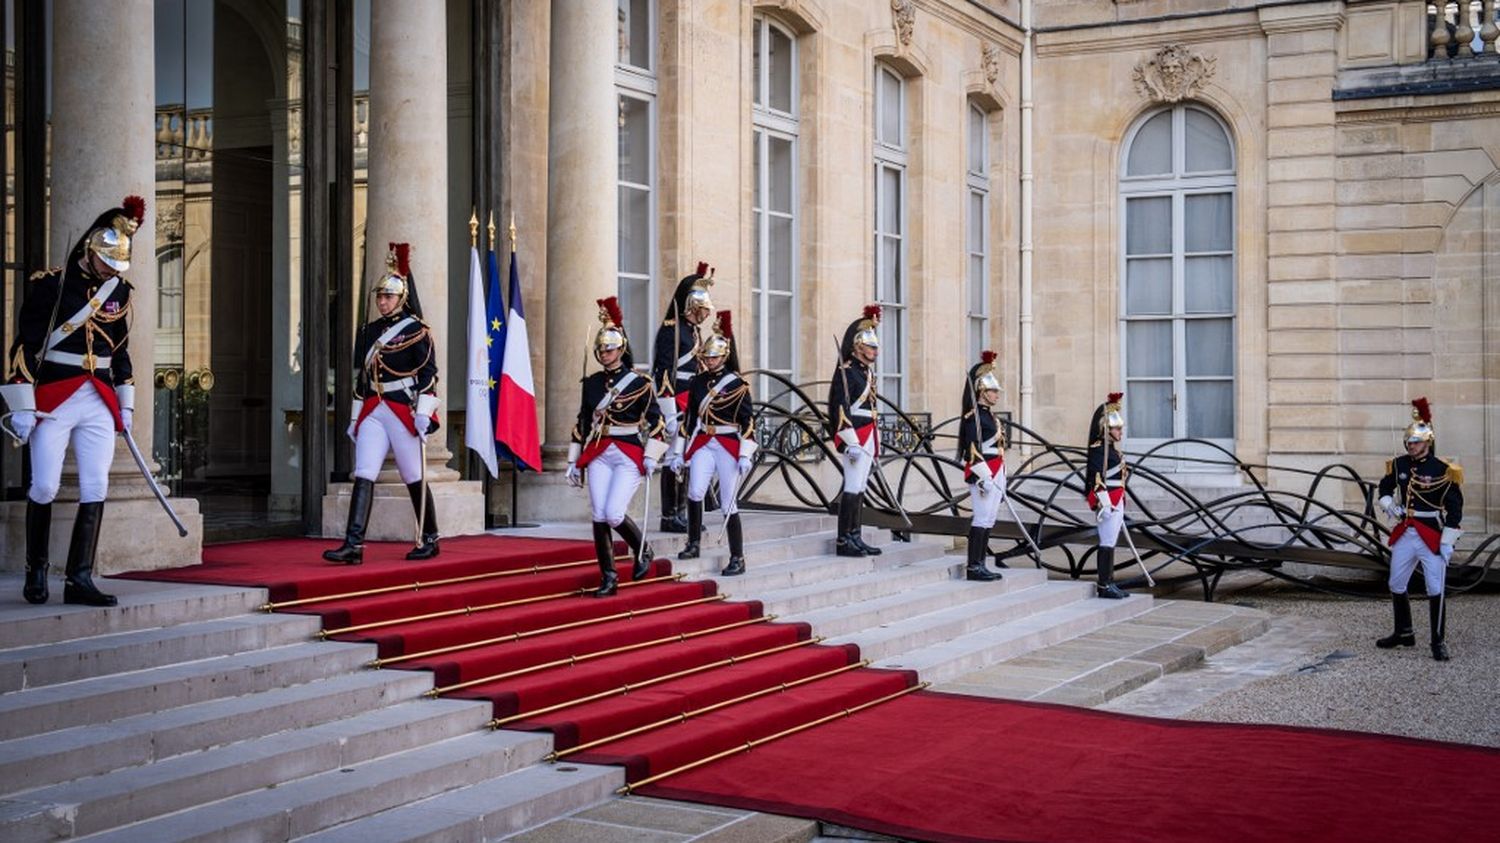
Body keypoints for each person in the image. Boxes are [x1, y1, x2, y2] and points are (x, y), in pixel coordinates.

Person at [1, 196, 145, 606]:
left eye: (116, 267)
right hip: (54, 395)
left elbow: (119, 352)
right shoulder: (50, 284)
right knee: (44, 484)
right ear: (89, 250)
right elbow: (24, 347)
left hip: (97, 397)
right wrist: (23, 403)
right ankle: (37, 570)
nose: (110, 272)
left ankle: (79, 578)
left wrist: (126, 401)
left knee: (96, 485)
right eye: (105, 263)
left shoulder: (119, 291)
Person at [324, 243, 441, 565]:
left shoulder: (417, 331)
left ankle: (430, 537)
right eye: (379, 296)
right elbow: (362, 378)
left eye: (388, 297)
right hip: (374, 408)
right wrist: (354, 416)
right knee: (364, 472)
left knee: (412, 474)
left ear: (401, 299)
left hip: (402, 409)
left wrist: (423, 412)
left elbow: (429, 375)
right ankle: (353, 545)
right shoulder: (369, 332)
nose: (382, 301)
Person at [567, 296, 667, 597]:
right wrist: (573, 459)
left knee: (613, 512)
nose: (604, 353)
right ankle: (609, 576)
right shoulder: (592, 383)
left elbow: (657, 423)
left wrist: (652, 456)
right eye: (601, 349)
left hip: (628, 452)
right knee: (598, 514)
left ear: (621, 349)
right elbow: (582, 422)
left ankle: (643, 549)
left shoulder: (640, 383)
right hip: (599, 451)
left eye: (609, 348)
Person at [1375, 397, 1462, 661]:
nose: (1411, 447)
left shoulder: (1444, 470)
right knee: (1396, 582)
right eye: (1409, 442)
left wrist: (1447, 542)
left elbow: (1455, 510)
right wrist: (1388, 502)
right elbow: (1385, 486)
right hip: (1406, 530)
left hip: (1431, 533)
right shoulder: (1400, 464)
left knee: (1435, 587)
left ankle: (1438, 641)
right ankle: (1404, 632)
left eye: (1416, 442)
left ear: (1428, 442)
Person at [671, 311, 756, 576]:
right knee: (695, 492)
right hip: (703, 441)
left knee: (728, 502)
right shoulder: (697, 382)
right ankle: (693, 542)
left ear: (725, 356)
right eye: (706, 357)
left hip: (728, 443)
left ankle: (738, 557)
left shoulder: (738, 385)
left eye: (714, 357)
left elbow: (748, 422)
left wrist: (745, 453)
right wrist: (678, 451)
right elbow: (689, 419)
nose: (709, 361)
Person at [650, 262, 714, 533]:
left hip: (693, 401)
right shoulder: (671, 330)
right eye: (699, 308)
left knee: (686, 457)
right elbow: (662, 372)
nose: (702, 314)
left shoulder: (692, 332)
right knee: (674, 456)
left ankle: (681, 511)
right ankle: (669, 515)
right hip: (677, 400)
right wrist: (669, 413)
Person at [827, 305, 883, 558]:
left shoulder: (865, 373)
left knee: (860, 486)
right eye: (870, 346)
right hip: (855, 434)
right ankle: (843, 539)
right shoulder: (847, 372)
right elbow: (840, 408)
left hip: (868, 432)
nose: (875, 351)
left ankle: (855, 535)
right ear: (858, 347)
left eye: (875, 347)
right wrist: (848, 440)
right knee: (851, 485)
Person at [957, 350, 1005, 582]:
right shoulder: (973, 416)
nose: (997, 394)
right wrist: (985, 476)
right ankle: (973, 566)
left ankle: (981, 563)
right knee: (981, 519)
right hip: (983, 472)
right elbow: (972, 450)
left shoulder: (989, 416)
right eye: (993, 391)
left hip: (997, 470)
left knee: (990, 520)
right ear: (982, 391)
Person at [1084, 392, 1130, 599]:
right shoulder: (1099, 450)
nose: (1120, 431)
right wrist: (1102, 503)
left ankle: (1109, 581)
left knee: (1111, 541)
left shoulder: (1111, 450)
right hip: (1108, 501)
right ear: (1106, 429)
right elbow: (1095, 479)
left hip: (1117, 498)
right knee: (1107, 540)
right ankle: (1104, 585)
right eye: (1117, 428)